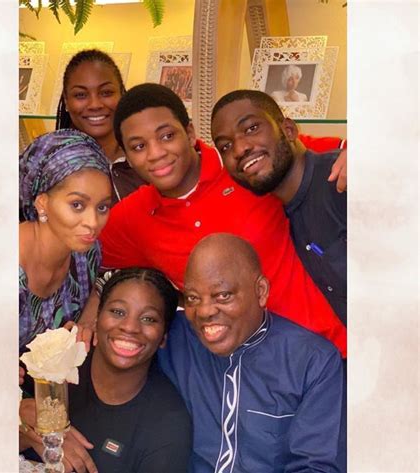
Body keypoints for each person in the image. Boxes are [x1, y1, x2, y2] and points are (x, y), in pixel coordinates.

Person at [83, 83, 346, 357]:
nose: (156, 153)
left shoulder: (244, 164)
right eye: (138, 146)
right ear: (127, 156)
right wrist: (94, 302)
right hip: (246, 369)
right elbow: (83, 255)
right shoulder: (133, 216)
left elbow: (328, 152)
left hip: (335, 349)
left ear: (189, 132)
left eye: (167, 136)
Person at [158, 233, 343, 473]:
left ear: (261, 291)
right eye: (193, 298)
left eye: (223, 295)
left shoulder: (312, 362)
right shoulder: (173, 337)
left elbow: (315, 466)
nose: (204, 311)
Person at [20, 267, 192, 473]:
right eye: (118, 312)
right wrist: (25, 427)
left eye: (149, 319)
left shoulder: (167, 427)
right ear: (97, 318)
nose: (130, 327)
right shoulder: (57, 358)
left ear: (163, 337)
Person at [211, 89, 346, 325]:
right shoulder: (286, 211)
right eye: (225, 146)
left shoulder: (342, 180)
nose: (239, 149)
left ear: (288, 129)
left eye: (251, 128)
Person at [19, 129, 112, 355]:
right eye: (77, 205)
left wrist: (90, 314)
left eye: (102, 207)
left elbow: (106, 280)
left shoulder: (86, 253)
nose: (93, 222)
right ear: (41, 203)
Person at [55, 49, 146, 205]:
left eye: (106, 92)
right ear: (66, 101)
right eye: (80, 95)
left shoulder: (149, 156)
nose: (95, 105)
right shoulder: (49, 166)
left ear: (122, 94)